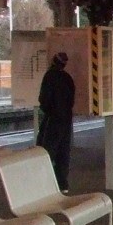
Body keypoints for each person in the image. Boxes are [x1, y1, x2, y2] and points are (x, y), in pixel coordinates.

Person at [36, 51, 76, 190]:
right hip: (66, 118)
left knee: (47, 150)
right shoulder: (68, 78)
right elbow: (71, 100)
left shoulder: (49, 76)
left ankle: (45, 182)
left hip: (53, 119)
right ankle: (63, 182)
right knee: (64, 150)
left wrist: (48, 110)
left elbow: (43, 99)